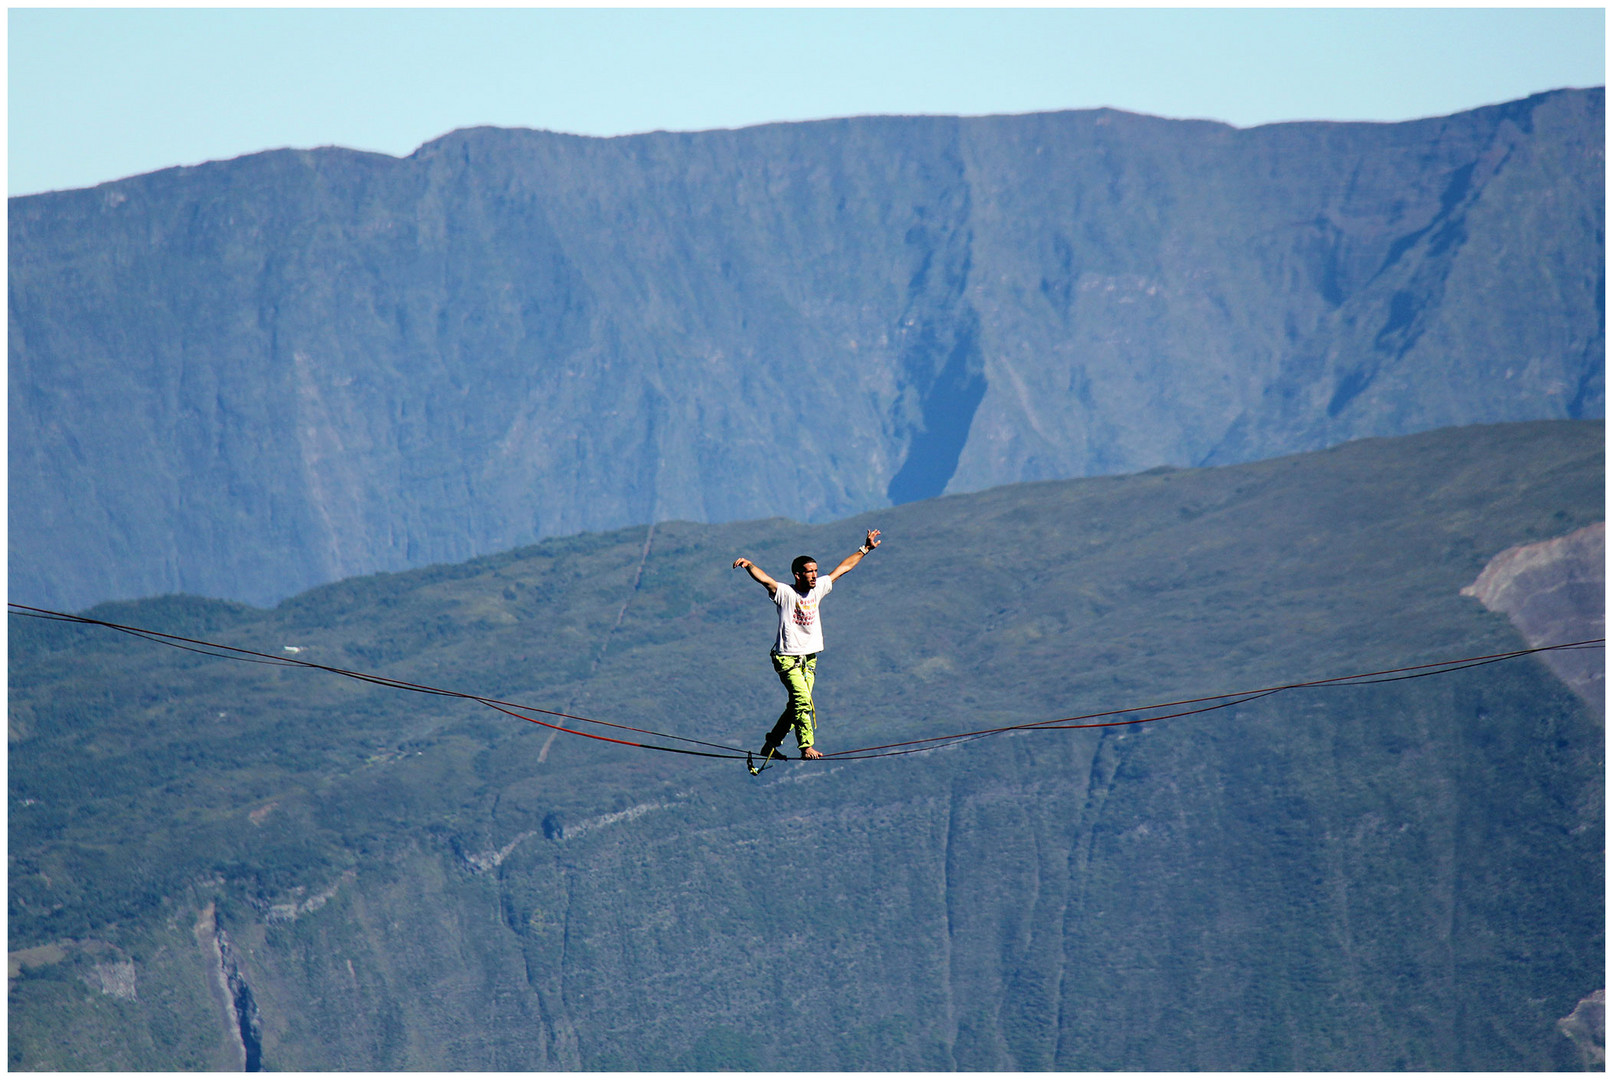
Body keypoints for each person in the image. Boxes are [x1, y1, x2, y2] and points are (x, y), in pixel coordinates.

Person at [732, 529, 881, 766]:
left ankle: (770, 744)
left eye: (815, 571)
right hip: (787, 658)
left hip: (809, 658)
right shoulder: (785, 593)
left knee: (797, 705)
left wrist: (865, 549)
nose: (814, 576)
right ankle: (806, 746)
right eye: (809, 572)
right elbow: (765, 579)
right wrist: (749, 564)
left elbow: (843, 569)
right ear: (797, 574)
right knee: (802, 701)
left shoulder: (819, 588)